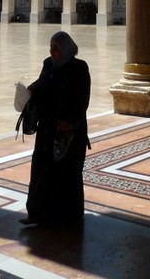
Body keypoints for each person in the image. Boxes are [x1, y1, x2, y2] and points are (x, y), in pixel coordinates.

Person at [21, 31, 90, 227]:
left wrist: (70, 121)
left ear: (65, 49)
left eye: (56, 49)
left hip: (69, 132)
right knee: (41, 168)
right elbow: (42, 84)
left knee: (66, 172)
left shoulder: (79, 68)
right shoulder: (48, 64)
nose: (52, 52)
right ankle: (36, 212)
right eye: (50, 48)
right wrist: (31, 90)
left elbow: (82, 99)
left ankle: (67, 215)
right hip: (48, 127)